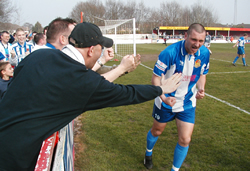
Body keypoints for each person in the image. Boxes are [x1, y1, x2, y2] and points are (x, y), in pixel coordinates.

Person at [0, 21, 182, 170]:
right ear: (91, 50)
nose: (100, 55)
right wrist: (161, 89)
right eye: (100, 50)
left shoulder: (37, 56)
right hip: (14, 158)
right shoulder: (83, 80)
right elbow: (127, 93)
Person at [143, 23, 210, 170]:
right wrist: (164, 98)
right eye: (194, 40)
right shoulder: (169, 53)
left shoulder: (204, 53)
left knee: (185, 139)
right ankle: (148, 153)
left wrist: (201, 88)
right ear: (185, 36)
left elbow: (201, 74)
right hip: (166, 101)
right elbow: (155, 79)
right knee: (157, 131)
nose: (197, 44)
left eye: (201, 41)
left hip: (187, 103)